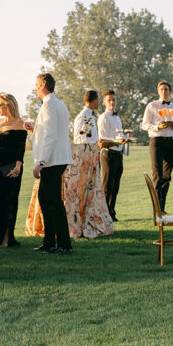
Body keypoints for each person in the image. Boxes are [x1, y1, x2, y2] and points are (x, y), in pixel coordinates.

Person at [60, 90, 113, 239]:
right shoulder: (83, 117)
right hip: (85, 159)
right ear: (94, 100)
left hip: (91, 156)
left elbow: (90, 137)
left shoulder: (89, 116)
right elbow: (81, 139)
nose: (98, 103)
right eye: (97, 100)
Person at [30, 72, 73, 255]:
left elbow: (50, 136)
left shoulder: (48, 105)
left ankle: (64, 244)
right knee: (45, 200)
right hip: (57, 158)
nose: (35, 88)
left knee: (53, 202)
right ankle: (49, 242)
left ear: (43, 85)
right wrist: (33, 131)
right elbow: (48, 131)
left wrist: (41, 161)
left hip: (52, 161)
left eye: (36, 84)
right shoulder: (59, 104)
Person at [0, 93, 28, 247]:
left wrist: (18, 166)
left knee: (9, 202)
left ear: (8, 105)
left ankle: (7, 239)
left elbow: (20, 148)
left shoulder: (20, 124)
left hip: (12, 167)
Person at [141, 80, 173, 211]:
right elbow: (144, 125)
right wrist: (157, 126)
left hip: (171, 141)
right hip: (157, 141)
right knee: (157, 175)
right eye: (161, 89)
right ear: (158, 92)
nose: (164, 91)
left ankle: (162, 208)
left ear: (170, 91)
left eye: (166, 89)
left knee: (167, 176)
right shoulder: (152, 105)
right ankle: (156, 208)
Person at [98, 89, 126, 222]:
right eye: (109, 100)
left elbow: (118, 136)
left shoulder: (118, 118)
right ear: (104, 102)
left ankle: (112, 212)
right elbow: (102, 140)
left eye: (114, 99)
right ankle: (105, 214)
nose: (112, 102)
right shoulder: (103, 118)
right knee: (107, 185)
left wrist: (124, 139)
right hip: (108, 154)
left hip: (118, 153)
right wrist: (117, 141)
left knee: (116, 185)